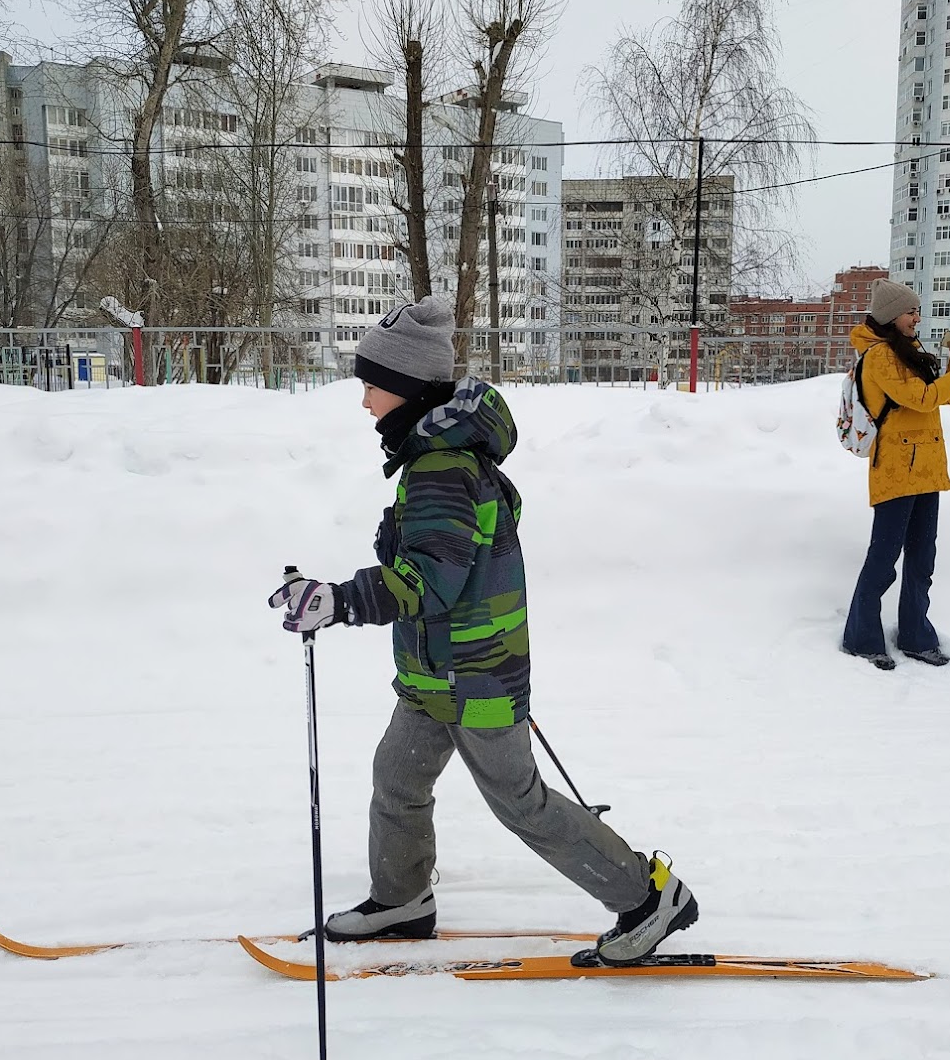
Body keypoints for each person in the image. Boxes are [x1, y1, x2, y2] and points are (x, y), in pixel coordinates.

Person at [269, 295, 697, 964]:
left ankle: (647, 895)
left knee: (521, 804)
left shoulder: (440, 466)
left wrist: (338, 600)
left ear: (407, 389)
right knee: (398, 777)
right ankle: (402, 898)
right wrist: (397, 544)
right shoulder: (436, 457)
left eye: (372, 388)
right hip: (437, 673)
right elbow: (440, 563)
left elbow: (428, 583)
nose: (365, 404)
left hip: (475, 677)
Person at [840, 279, 950, 670]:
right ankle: (861, 638)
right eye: (911, 311)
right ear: (891, 315)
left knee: (922, 559)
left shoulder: (909, 351)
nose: (917, 318)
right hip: (894, 469)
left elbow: (942, 394)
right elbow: (921, 398)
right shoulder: (879, 357)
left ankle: (916, 636)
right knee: (883, 559)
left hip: (926, 468)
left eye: (918, 311)